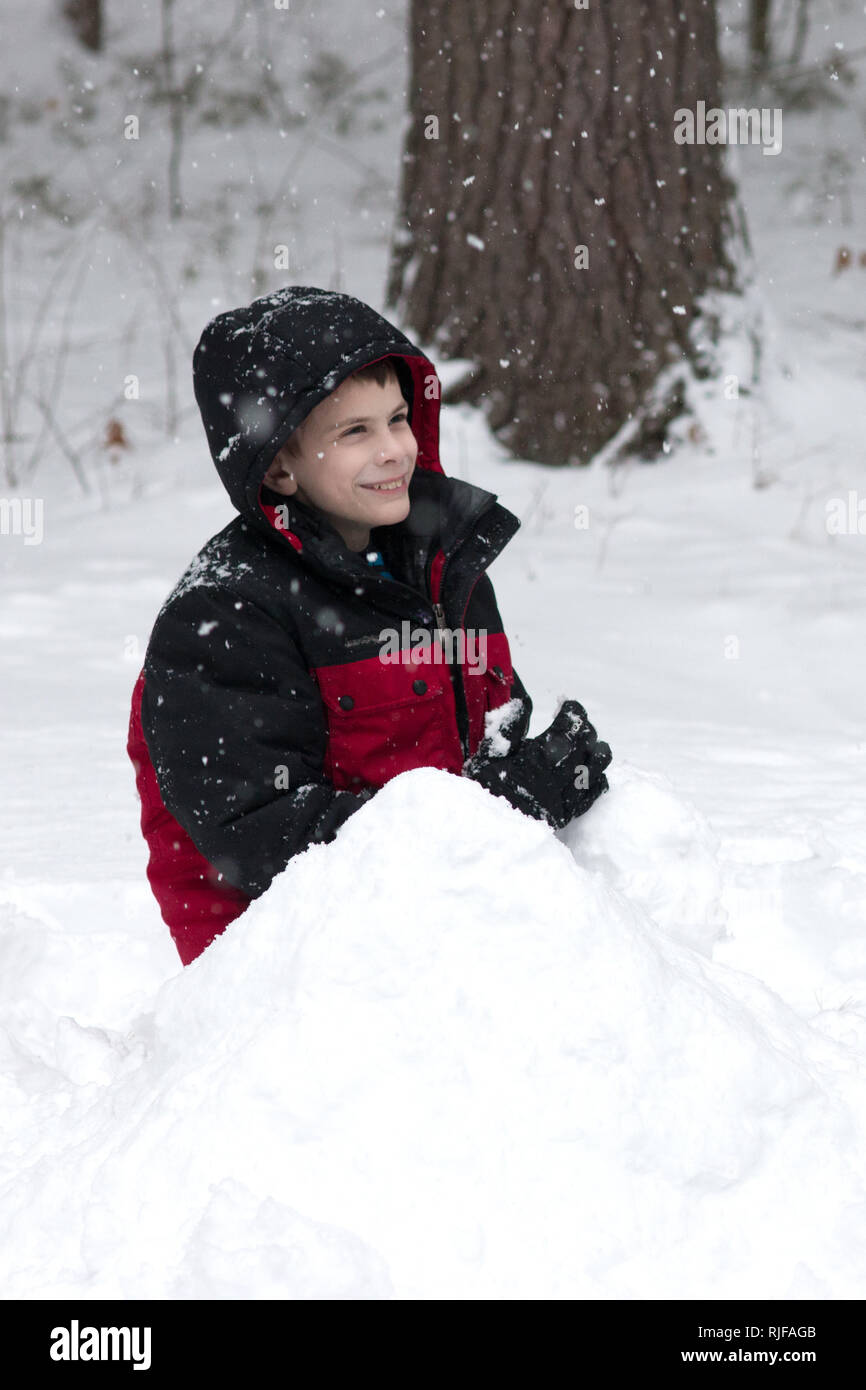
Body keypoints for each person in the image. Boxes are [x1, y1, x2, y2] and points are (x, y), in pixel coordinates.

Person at [127, 286, 611, 965]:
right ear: (280, 466)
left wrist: (540, 775)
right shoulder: (228, 614)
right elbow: (258, 840)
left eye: (397, 419)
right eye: (355, 432)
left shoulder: (441, 567)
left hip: (448, 917)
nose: (394, 450)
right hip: (302, 968)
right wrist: (493, 815)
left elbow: (489, 734)